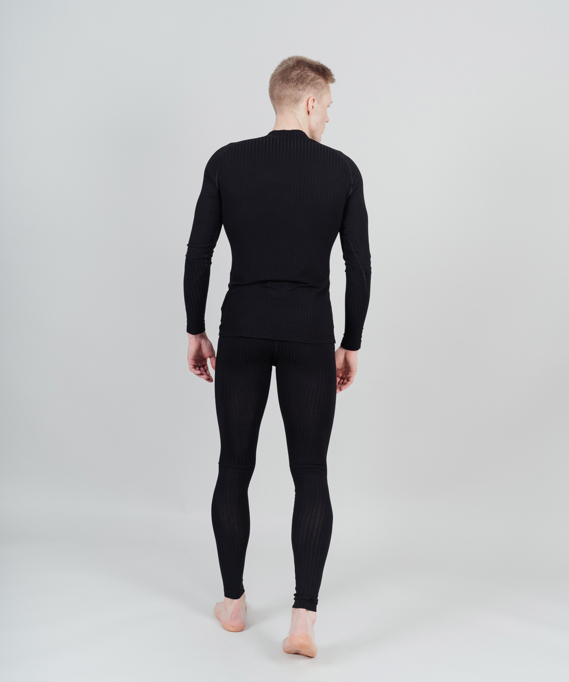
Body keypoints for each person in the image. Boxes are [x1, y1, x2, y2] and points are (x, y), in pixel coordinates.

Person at [183, 55, 371, 658]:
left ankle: (233, 604)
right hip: (309, 335)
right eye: (328, 107)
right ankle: (303, 623)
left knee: (234, 466)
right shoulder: (341, 171)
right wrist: (351, 341)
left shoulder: (227, 162)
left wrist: (195, 328)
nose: (329, 118)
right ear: (310, 103)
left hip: (241, 330)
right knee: (310, 472)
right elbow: (359, 266)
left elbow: (199, 252)